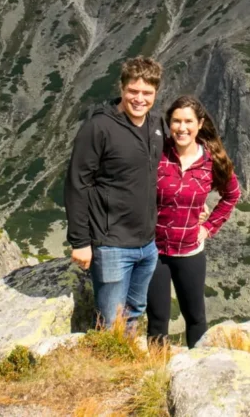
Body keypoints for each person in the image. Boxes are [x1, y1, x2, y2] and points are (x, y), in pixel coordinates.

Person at [64, 57, 165, 330]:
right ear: (122, 88)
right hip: (112, 245)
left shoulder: (156, 126)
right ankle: (108, 368)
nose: (139, 98)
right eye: (133, 91)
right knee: (110, 322)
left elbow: (164, 173)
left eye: (147, 93)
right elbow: (77, 183)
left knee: (134, 313)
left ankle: (126, 367)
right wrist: (80, 241)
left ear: (156, 93)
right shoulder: (99, 128)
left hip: (147, 244)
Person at [146, 94, 240, 348]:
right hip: (153, 249)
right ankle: (156, 374)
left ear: (199, 124)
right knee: (157, 318)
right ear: (169, 124)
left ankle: (198, 369)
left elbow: (232, 194)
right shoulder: (157, 152)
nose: (182, 128)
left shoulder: (212, 161)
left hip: (189, 251)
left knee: (195, 317)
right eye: (176, 121)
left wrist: (208, 227)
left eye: (188, 121)